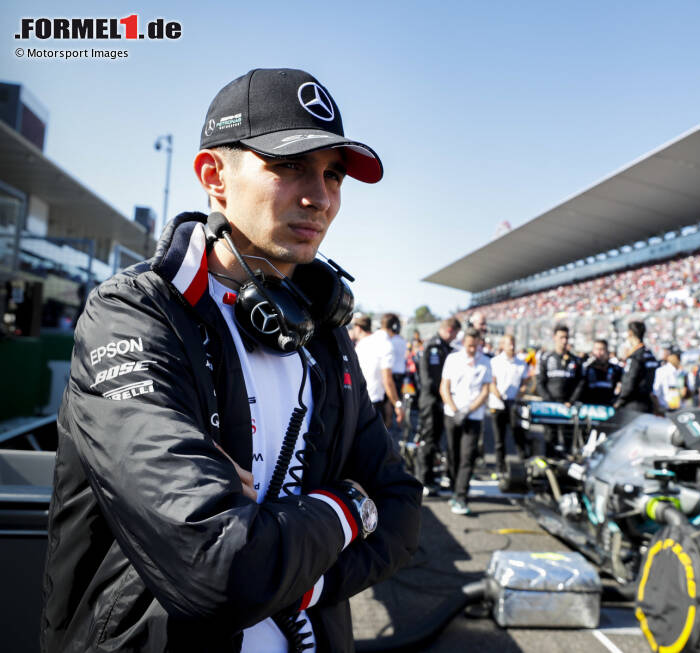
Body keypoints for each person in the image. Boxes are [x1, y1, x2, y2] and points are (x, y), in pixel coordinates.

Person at [41, 68, 422, 653]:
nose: (319, 197)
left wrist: (299, 584)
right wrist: (347, 507)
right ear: (213, 176)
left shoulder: (322, 329)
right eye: (290, 165)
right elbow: (219, 564)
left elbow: (399, 508)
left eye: (333, 174)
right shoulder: (134, 315)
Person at [440, 328, 492, 515]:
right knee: (453, 454)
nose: (472, 349)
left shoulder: (485, 362)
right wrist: (455, 410)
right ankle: (455, 488)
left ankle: (461, 496)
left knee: (467, 456)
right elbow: (444, 387)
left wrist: (467, 410)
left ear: (479, 343)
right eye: (469, 345)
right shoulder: (453, 359)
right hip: (452, 413)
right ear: (464, 343)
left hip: (473, 415)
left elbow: (485, 391)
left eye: (475, 345)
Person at [415, 317, 461, 494]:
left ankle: (430, 477)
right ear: (450, 330)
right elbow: (430, 380)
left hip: (439, 399)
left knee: (434, 441)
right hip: (432, 400)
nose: (455, 338)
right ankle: (423, 479)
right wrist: (444, 395)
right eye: (455, 333)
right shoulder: (434, 347)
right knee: (428, 439)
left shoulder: (444, 347)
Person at [537, 324, 582, 455]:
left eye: (566, 337)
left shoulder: (575, 360)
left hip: (568, 406)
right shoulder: (546, 358)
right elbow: (540, 382)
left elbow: (580, 382)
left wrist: (572, 400)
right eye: (561, 337)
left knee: (568, 440)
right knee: (550, 439)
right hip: (550, 406)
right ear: (554, 338)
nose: (564, 341)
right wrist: (549, 401)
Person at [489, 334, 531, 472]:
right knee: (499, 440)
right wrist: (499, 395)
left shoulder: (521, 363)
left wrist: (519, 394)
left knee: (518, 435)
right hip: (498, 404)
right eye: (508, 343)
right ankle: (500, 468)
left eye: (513, 343)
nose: (511, 346)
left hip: (514, 404)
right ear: (503, 345)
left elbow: (525, 383)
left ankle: (524, 465)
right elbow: (491, 382)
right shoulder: (495, 362)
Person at [354, 315, 404, 429]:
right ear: (395, 327)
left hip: (358, 397)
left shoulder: (364, 341)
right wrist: (397, 404)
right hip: (373, 401)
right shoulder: (387, 345)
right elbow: (387, 379)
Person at [615, 321, 659, 413]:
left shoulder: (636, 356)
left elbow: (629, 381)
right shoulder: (650, 354)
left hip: (633, 405)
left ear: (630, 333)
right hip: (647, 403)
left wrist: (620, 401)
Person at [572, 339, 622, 406]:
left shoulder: (615, 369)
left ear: (607, 352)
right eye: (596, 349)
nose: (598, 352)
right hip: (589, 408)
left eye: (601, 349)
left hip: (608, 407)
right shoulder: (586, 368)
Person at [382, 313, 408, 429]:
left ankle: (388, 422)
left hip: (391, 372)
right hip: (400, 373)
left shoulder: (389, 342)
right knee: (397, 398)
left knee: (388, 399)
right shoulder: (402, 340)